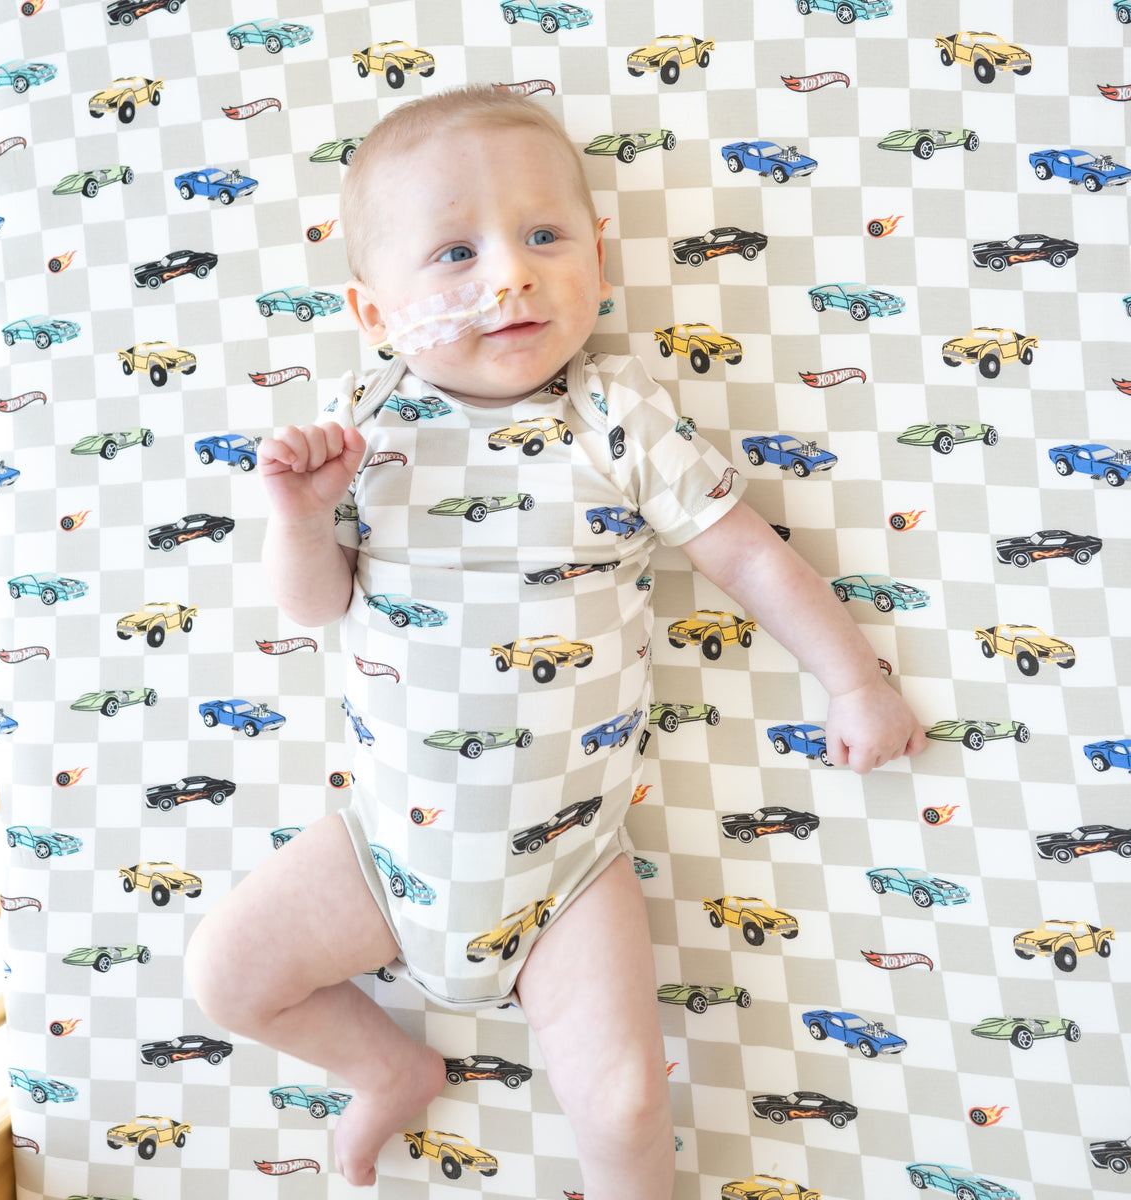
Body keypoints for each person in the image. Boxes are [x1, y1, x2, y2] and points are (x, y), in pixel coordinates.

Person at [185, 85, 925, 1200]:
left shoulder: (615, 414)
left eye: (544, 237)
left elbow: (751, 561)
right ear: (376, 313)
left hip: (566, 861)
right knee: (225, 975)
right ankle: (385, 1064)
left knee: (622, 1102)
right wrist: (298, 516)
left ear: (600, 258)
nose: (510, 277)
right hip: (386, 851)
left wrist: (855, 679)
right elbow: (316, 607)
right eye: (456, 253)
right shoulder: (366, 424)